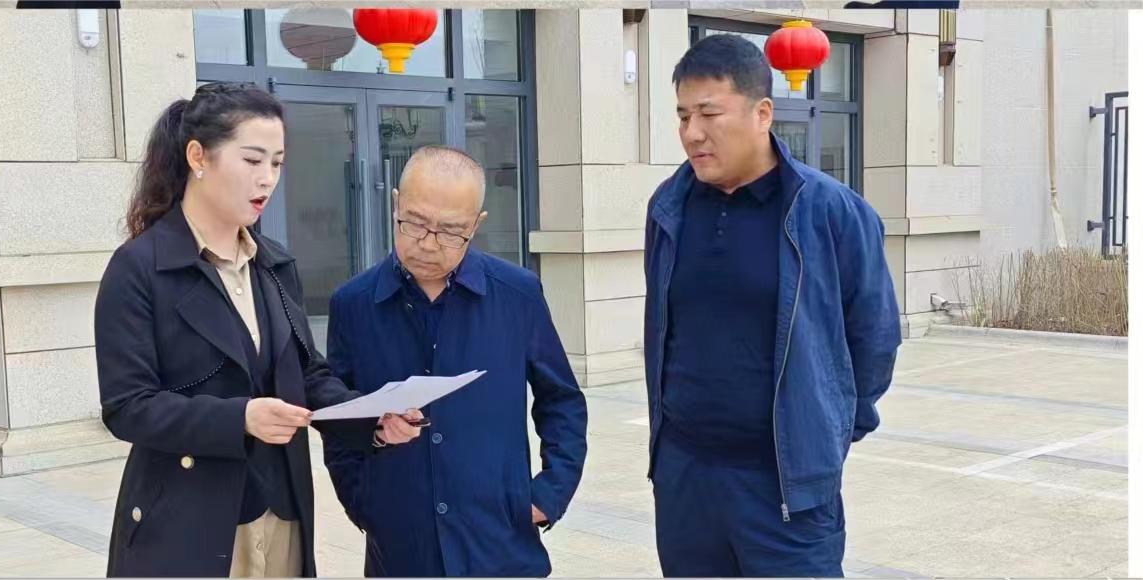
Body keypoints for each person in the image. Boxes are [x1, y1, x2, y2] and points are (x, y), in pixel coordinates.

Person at [94, 82, 423, 578]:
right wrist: (240, 418)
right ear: (198, 157)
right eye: (252, 160)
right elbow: (128, 407)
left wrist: (370, 417)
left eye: (277, 163)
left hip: (282, 512)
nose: (267, 179)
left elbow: (306, 374)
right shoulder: (139, 269)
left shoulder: (273, 264)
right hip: (189, 521)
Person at [643, 34, 902, 577]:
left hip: (785, 487)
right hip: (686, 481)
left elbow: (874, 338)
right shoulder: (669, 207)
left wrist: (826, 435)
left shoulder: (830, 210)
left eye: (709, 114)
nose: (692, 133)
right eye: (683, 116)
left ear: (762, 113)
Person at [322, 146, 588, 577]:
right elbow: (338, 419)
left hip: (500, 542)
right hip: (402, 548)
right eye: (415, 223)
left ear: (476, 225)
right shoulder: (353, 303)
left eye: (450, 231)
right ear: (395, 205)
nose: (428, 244)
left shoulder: (517, 294)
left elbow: (561, 400)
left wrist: (550, 493)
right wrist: (364, 503)